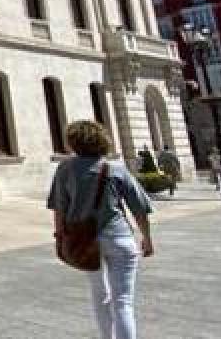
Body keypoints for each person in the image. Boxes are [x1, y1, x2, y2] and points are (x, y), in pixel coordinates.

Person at [49, 120, 154, 339]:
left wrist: (60, 236)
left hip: (84, 241)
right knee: (123, 301)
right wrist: (147, 238)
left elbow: (59, 207)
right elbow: (139, 207)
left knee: (100, 296)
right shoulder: (116, 168)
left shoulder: (65, 168)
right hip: (120, 238)